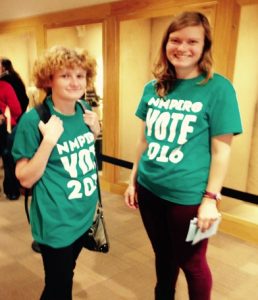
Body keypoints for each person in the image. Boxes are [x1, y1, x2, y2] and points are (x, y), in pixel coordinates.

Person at [124, 11, 242, 300]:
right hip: (150, 190)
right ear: (166, 43)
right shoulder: (152, 88)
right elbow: (144, 140)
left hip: (189, 200)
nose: (182, 47)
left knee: (192, 263)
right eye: (175, 39)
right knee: (163, 255)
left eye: (192, 41)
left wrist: (210, 199)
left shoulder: (219, 88)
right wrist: (132, 180)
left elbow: (221, 150)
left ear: (204, 47)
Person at [12, 45, 101, 300]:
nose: (74, 82)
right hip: (56, 221)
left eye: (80, 76)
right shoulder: (35, 120)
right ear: (49, 79)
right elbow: (25, 177)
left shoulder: (84, 110)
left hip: (84, 216)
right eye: (65, 75)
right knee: (59, 286)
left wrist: (94, 132)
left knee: (65, 276)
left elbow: (80, 156)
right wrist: (49, 141)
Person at [0, 80, 22, 199]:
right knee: (8, 159)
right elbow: (16, 109)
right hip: (5, 128)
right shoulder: (4, 86)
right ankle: (11, 191)